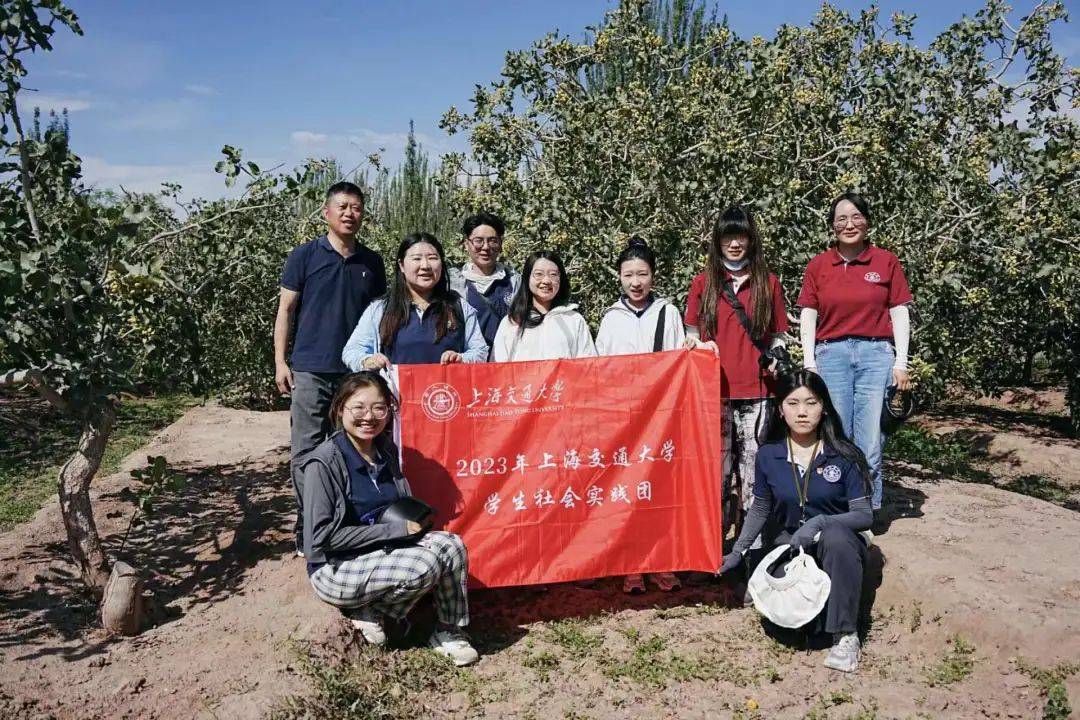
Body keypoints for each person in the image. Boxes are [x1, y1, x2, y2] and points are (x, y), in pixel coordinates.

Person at [301, 371, 479, 665]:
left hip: (379, 553)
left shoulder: (384, 449)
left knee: (452, 545)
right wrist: (391, 531)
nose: (368, 416)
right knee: (424, 564)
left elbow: (397, 503)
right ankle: (370, 611)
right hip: (334, 566)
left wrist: (413, 523)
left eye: (379, 407)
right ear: (340, 408)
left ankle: (449, 630)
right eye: (358, 407)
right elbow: (321, 539)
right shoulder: (324, 462)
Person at [719, 370, 873, 673]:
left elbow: (864, 515)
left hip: (836, 545)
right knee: (794, 626)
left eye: (811, 403)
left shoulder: (844, 455)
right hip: (790, 545)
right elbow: (760, 509)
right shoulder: (769, 455)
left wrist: (819, 523)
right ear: (780, 409)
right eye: (793, 403)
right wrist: (737, 553)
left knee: (836, 538)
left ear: (824, 407)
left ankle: (845, 635)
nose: (802, 412)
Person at [275, 181, 387, 555]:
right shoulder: (304, 256)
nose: (349, 213)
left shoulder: (372, 262)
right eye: (342, 206)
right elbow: (286, 311)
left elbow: (379, 319)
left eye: (356, 207)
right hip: (311, 369)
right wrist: (281, 361)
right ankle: (311, 526)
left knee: (357, 447)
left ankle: (352, 523)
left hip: (355, 375)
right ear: (326, 212)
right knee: (307, 452)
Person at [797, 192, 912, 510]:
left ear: (868, 221)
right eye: (841, 218)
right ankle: (837, 507)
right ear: (833, 226)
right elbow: (809, 313)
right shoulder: (819, 265)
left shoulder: (885, 262)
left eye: (856, 216)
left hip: (876, 356)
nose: (850, 224)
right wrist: (810, 362)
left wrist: (901, 362)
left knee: (871, 440)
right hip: (831, 356)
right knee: (836, 435)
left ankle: (867, 512)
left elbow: (899, 311)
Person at [683, 206, 789, 536]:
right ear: (718, 241)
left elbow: (779, 336)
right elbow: (690, 336)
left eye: (740, 236)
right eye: (728, 237)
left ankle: (749, 545)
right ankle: (711, 543)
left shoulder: (769, 283)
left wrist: (776, 355)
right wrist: (700, 347)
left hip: (758, 393)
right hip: (714, 394)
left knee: (753, 472)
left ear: (750, 239)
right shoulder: (703, 284)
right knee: (716, 472)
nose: (734, 244)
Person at [595, 237, 685, 594]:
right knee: (628, 491)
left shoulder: (668, 312)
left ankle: (662, 562)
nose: (636, 282)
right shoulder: (610, 318)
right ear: (619, 277)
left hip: (660, 418)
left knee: (660, 490)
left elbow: (679, 363)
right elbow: (599, 369)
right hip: (623, 420)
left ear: (653, 276)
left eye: (642, 274)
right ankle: (631, 564)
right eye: (629, 274)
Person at [341, 233, 488, 371]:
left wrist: (462, 359)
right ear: (401, 265)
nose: (425, 265)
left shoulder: (458, 306)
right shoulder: (381, 309)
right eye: (416, 258)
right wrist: (367, 361)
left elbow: (480, 351)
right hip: (396, 396)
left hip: (445, 395)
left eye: (432, 258)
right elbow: (352, 351)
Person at [492, 250, 597, 361]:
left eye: (553, 275)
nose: (546, 280)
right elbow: (499, 368)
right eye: (539, 274)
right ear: (527, 278)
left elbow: (588, 365)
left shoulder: (574, 320)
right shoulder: (512, 321)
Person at [448, 212, 521, 350]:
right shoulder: (454, 284)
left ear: (500, 244)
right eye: (478, 240)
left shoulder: (514, 281)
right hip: (469, 363)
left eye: (492, 240)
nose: (486, 247)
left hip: (506, 362)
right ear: (466, 244)